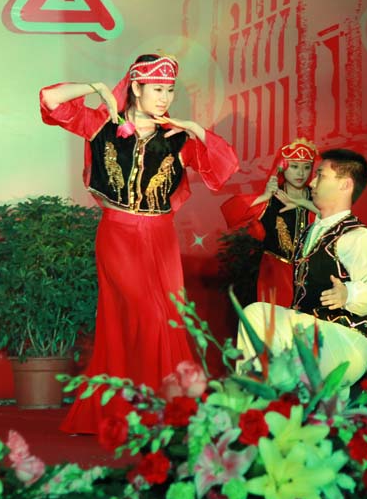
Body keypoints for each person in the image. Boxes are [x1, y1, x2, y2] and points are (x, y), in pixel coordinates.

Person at [39, 53, 238, 434]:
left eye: (169, 91)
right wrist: (96, 88)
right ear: (136, 87)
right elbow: (50, 100)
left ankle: (164, 410)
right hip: (118, 236)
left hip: (161, 238)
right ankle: (142, 409)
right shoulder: (102, 124)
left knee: (166, 318)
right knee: (142, 316)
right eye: (157, 89)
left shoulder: (177, 137)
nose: (164, 98)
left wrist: (194, 127)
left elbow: (224, 165)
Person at [235, 149, 367, 387]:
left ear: (345, 185)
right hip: (313, 331)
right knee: (256, 315)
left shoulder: (357, 237)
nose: (311, 182)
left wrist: (349, 294)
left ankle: (275, 394)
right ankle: (257, 396)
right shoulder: (312, 232)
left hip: (346, 338)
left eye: (320, 175)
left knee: (284, 343)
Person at [220, 138, 319, 306]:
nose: (301, 173)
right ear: (283, 167)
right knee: (275, 319)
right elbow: (232, 211)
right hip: (277, 274)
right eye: (294, 167)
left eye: (306, 167)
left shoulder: (316, 197)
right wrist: (265, 196)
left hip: (312, 275)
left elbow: (336, 218)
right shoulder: (272, 199)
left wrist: (305, 203)